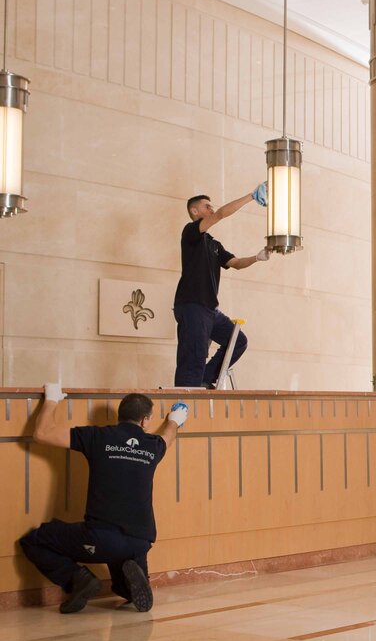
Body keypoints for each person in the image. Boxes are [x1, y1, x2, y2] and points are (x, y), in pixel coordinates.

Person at [20, 386, 187, 614]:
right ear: (146, 420)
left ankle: (78, 579)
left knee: (34, 540)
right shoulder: (153, 445)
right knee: (124, 584)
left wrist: (51, 399)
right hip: (141, 540)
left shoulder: (98, 437)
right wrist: (176, 419)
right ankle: (130, 578)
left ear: (120, 415)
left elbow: (41, 433)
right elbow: (169, 435)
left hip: (102, 538)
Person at [173, 184, 270, 387]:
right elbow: (220, 215)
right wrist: (251, 196)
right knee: (194, 357)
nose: (211, 209)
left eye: (211, 207)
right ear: (194, 211)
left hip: (210, 309)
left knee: (238, 341)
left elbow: (236, 264)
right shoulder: (191, 233)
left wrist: (257, 257)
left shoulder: (214, 245)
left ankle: (206, 379)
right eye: (206, 206)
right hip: (192, 305)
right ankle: (186, 396)